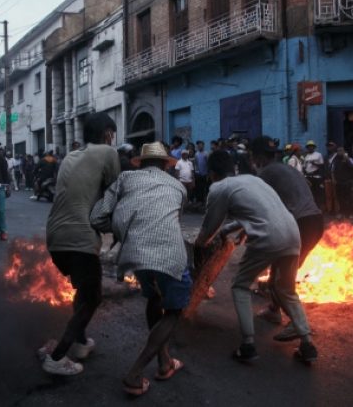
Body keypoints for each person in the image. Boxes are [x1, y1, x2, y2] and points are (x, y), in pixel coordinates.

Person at [194, 151, 317, 364]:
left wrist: (199, 246)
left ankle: (248, 345)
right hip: (292, 233)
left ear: (211, 173)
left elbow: (208, 228)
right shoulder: (251, 180)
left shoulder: (218, 188)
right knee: (286, 290)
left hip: (269, 237)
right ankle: (307, 344)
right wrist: (228, 230)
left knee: (240, 285)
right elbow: (258, 213)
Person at [90, 142, 191, 396]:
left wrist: (123, 228)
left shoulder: (125, 178)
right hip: (170, 253)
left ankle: (164, 361)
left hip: (135, 252)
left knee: (154, 299)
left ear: (141, 162)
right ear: (166, 165)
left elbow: (97, 217)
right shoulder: (178, 186)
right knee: (175, 311)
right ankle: (134, 374)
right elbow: (174, 218)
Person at [39, 112, 120, 375]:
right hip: (79, 238)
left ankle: (82, 342)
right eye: (112, 134)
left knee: (83, 292)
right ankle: (56, 357)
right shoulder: (108, 152)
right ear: (108, 134)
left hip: (55, 237)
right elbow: (115, 193)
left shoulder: (70, 156)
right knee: (93, 297)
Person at [249, 136, 324, 344]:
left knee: (281, 280)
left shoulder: (266, 173)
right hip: (315, 222)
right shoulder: (287, 168)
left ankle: (296, 324)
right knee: (279, 269)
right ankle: (274, 309)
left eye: (253, 157)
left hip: (300, 225)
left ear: (258, 156)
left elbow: (258, 207)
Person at [332, 147, 353, 218]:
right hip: (339, 182)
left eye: (341, 150)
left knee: (349, 198)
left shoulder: (350, 159)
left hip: (348, 182)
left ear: (344, 151)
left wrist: (347, 159)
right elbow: (332, 170)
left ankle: (351, 213)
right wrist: (334, 179)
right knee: (340, 198)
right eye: (338, 151)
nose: (339, 152)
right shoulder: (335, 160)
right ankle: (342, 212)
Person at [302, 140, 324, 206]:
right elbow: (304, 166)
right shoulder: (305, 156)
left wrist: (314, 163)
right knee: (309, 193)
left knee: (317, 193)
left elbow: (322, 165)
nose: (310, 148)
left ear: (314, 147)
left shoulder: (318, 154)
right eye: (308, 147)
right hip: (308, 177)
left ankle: (318, 207)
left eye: (311, 146)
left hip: (316, 176)